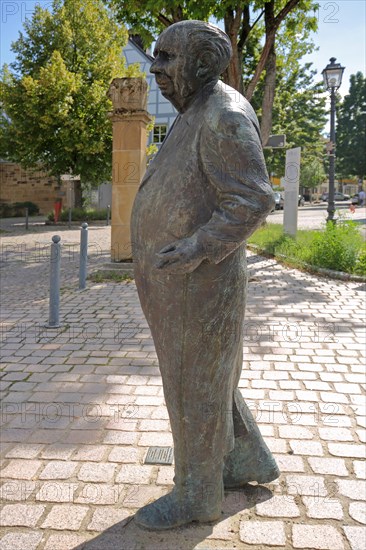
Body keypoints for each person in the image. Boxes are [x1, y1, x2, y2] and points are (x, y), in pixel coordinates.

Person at [131, 20, 279, 530]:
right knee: (208, 380)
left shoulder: (223, 115)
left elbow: (254, 199)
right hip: (179, 283)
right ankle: (246, 460)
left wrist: (195, 247)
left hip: (200, 283)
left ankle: (196, 497)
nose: (156, 69)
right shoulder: (194, 109)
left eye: (168, 58)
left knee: (193, 386)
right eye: (156, 56)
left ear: (200, 64)